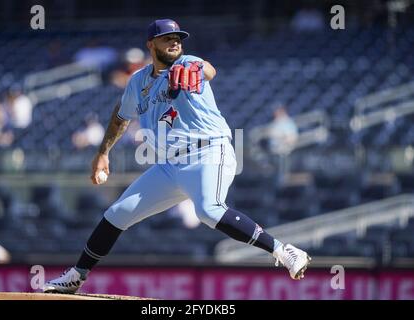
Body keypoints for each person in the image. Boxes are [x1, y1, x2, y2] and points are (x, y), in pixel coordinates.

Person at [43, 19, 311, 294]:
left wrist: (194, 68)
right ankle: (77, 275)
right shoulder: (138, 81)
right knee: (116, 214)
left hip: (208, 151)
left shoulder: (187, 63)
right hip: (170, 165)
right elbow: (120, 117)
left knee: (209, 210)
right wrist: (103, 153)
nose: (174, 42)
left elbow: (208, 69)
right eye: (167, 38)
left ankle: (283, 250)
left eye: (178, 38)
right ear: (151, 44)